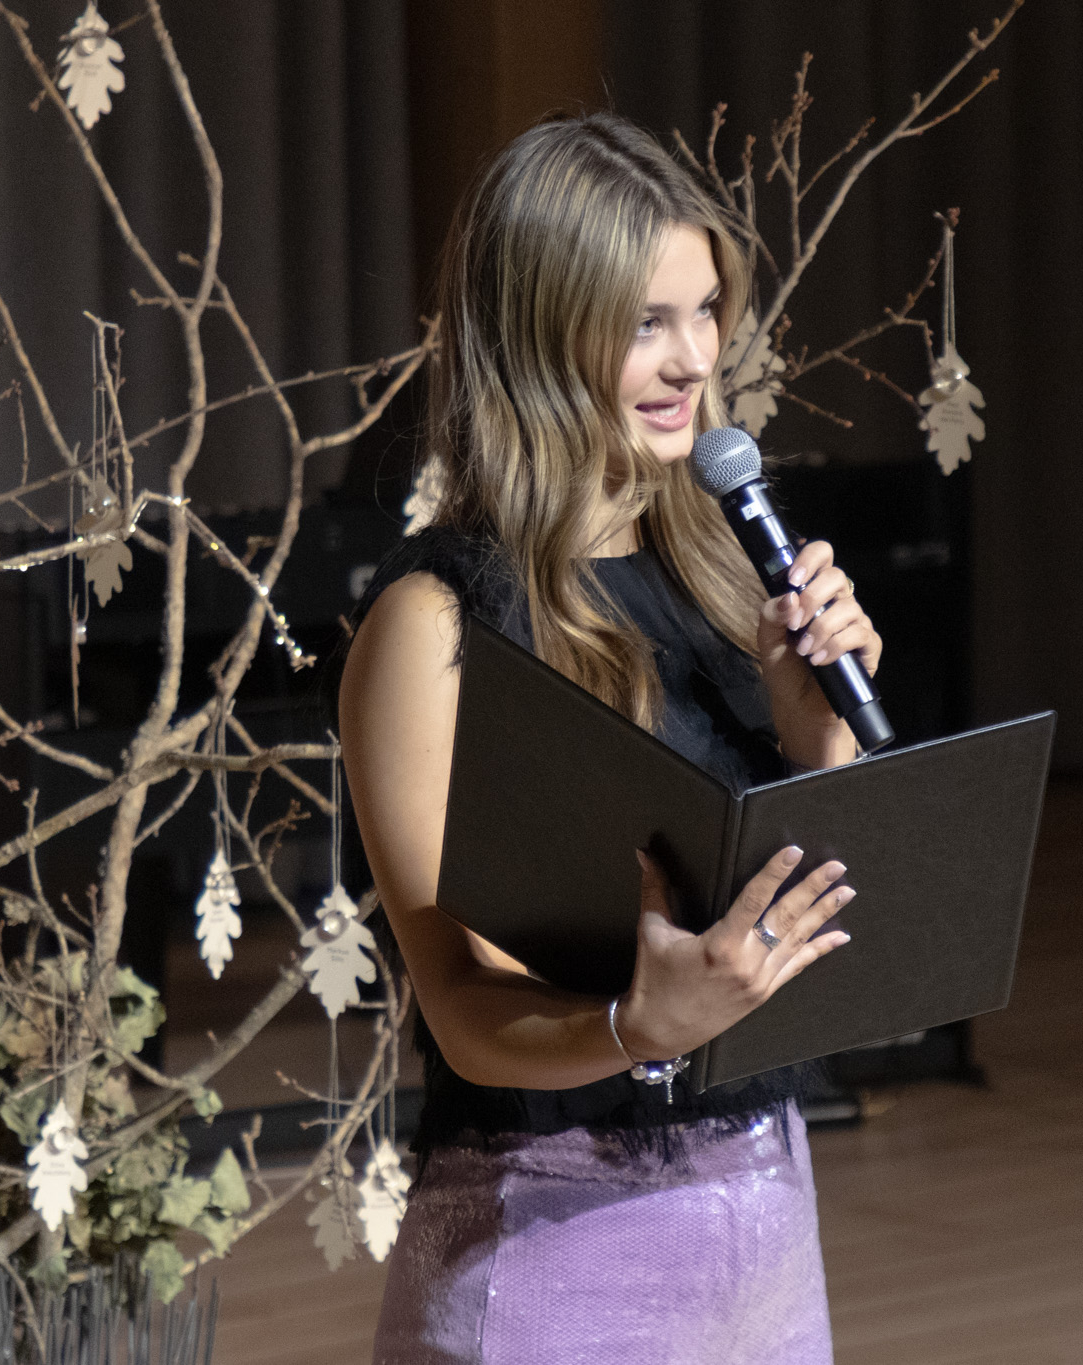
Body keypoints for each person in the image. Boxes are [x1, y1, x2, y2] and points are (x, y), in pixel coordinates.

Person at [338, 112, 882, 1364]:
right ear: (538, 332)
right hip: (552, 1249)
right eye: (645, 322)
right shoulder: (435, 628)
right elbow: (464, 1010)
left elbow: (792, 929)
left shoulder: (730, 580)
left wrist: (817, 746)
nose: (693, 359)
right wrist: (639, 1028)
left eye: (705, 312)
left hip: (764, 1226)